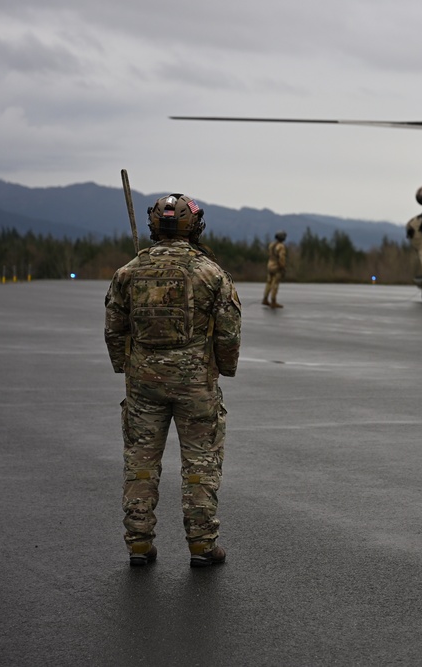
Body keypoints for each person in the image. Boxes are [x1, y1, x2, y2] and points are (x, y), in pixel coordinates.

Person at [104, 193, 241, 568]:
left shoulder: (129, 271)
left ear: (153, 226)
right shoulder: (211, 273)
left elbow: (114, 328)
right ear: (195, 227)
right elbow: (228, 332)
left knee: (141, 462)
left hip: (143, 384)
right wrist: (222, 369)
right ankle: (201, 545)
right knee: (200, 462)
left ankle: (138, 543)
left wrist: (127, 366)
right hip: (196, 383)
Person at [263, 230, 287, 308]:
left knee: (269, 282)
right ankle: (273, 301)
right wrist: (282, 267)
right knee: (275, 284)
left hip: (269, 265)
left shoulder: (272, 244)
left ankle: (265, 299)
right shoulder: (281, 246)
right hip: (277, 266)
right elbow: (281, 258)